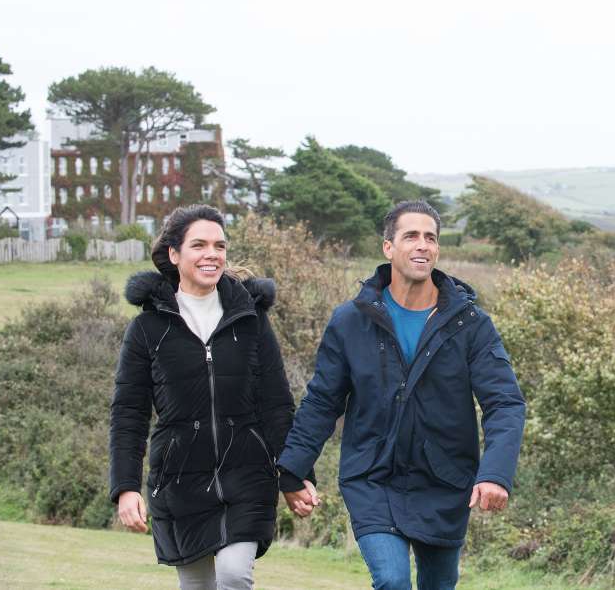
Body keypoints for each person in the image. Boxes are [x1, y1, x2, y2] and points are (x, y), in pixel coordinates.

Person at [278, 200, 526, 590]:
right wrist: (293, 470)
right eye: (411, 236)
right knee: (392, 580)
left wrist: (495, 473)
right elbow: (323, 401)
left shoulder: (471, 324)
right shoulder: (350, 321)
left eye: (431, 237)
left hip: (445, 479)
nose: (422, 245)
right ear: (388, 247)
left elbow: (504, 403)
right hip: (371, 476)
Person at [109, 204, 303, 590]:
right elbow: (129, 413)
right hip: (179, 480)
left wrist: (295, 474)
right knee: (197, 585)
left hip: (248, 475)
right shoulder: (147, 329)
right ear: (174, 254)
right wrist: (126, 487)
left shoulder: (251, 320)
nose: (211, 254)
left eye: (219, 245)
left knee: (233, 574)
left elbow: (277, 404)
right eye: (199, 245)